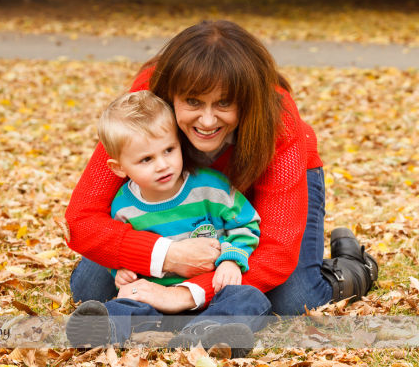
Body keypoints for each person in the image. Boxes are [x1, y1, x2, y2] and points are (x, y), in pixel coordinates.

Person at [65, 20, 378, 351]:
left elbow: (276, 252)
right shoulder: (146, 101)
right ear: (170, 95)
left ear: (245, 100)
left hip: (256, 199)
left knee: (293, 299)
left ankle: (352, 267)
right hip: (173, 202)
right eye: (193, 102)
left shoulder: (279, 121)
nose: (208, 120)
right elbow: (81, 220)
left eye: (224, 103)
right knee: (91, 287)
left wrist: (182, 293)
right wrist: (169, 256)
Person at [66, 90, 268, 357]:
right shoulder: (123, 206)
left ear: (179, 143)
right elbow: (117, 248)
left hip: (210, 294)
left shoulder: (211, 188)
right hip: (153, 297)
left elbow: (247, 225)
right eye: (146, 159)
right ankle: (101, 329)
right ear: (118, 168)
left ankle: (208, 333)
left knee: (250, 298)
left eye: (169, 150)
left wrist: (231, 259)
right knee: (127, 302)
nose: (163, 165)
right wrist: (120, 272)